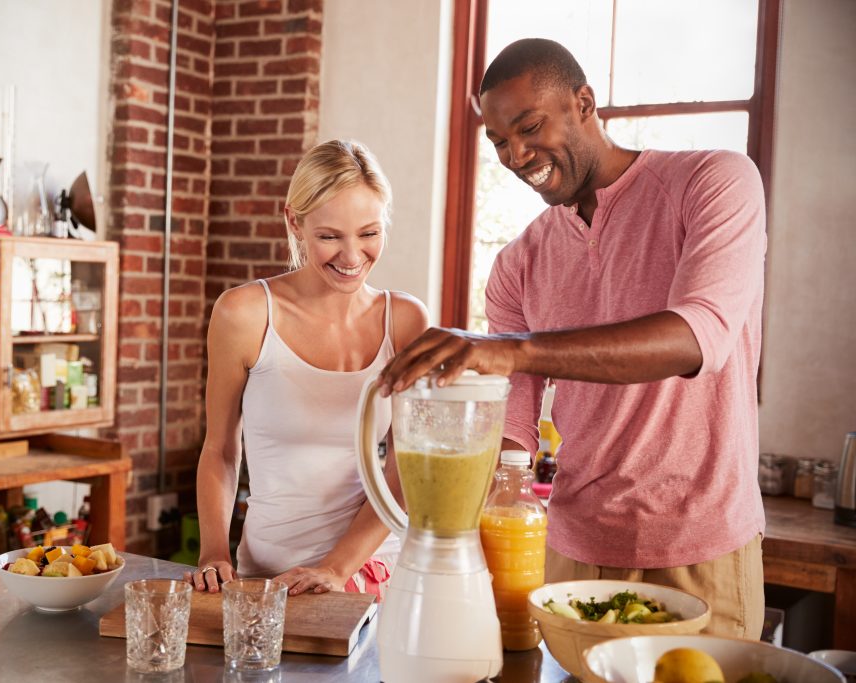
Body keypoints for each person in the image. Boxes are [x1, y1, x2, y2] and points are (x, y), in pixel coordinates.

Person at [378, 38, 766, 638]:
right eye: (500, 142)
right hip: (569, 554)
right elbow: (511, 437)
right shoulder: (518, 262)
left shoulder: (713, 182)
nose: (515, 155)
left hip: (699, 549)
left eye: (529, 127)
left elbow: (698, 336)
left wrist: (509, 348)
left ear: (584, 102)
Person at [187, 139, 429, 599]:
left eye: (369, 233)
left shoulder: (405, 320)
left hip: (374, 568)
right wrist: (214, 553)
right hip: (267, 574)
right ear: (294, 222)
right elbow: (219, 449)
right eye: (330, 236)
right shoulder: (245, 313)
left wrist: (337, 568)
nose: (353, 256)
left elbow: (408, 464)